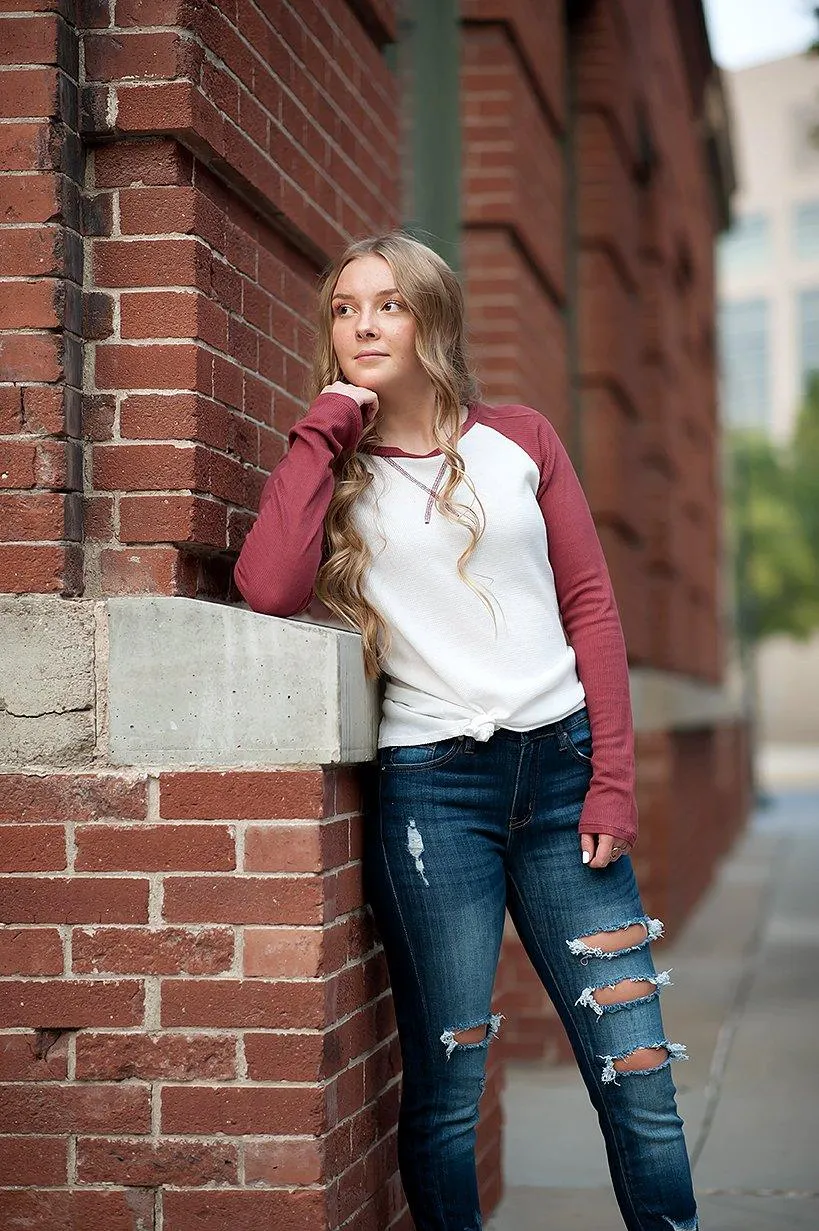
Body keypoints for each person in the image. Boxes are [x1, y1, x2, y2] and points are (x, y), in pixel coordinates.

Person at [234, 231, 698, 1231]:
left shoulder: (521, 437)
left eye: (389, 304)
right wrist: (322, 432)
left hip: (565, 777)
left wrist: (612, 776)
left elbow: (591, 605)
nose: (362, 323)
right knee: (448, 1084)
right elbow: (268, 585)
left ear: (431, 318)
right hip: (433, 797)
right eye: (345, 307)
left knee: (640, 1071)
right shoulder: (337, 469)